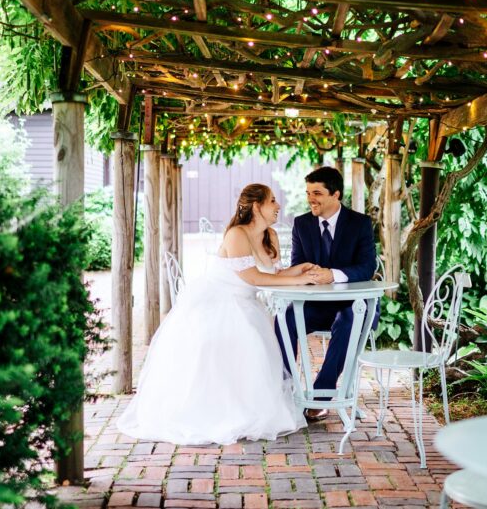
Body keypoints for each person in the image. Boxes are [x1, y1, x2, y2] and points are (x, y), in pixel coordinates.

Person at [117, 183, 324, 445]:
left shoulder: (270, 235)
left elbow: (275, 274)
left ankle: (249, 409)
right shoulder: (236, 235)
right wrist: (300, 282)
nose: (278, 205)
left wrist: (302, 270)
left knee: (256, 347)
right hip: (217, 301)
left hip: (248, 304)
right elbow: (252, 277)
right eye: (272, 201)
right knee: (233, 343)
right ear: (257, 206)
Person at [276, 166, 377, 422]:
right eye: (309, 192)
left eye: (317, 193)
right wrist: (307, 273)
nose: (311, 198)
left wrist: (332, 274)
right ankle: (286, 391)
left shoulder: (360, 223)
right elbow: (298, 262)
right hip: (317, 305)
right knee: (284, 319)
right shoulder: (302, 223)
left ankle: (320, 397)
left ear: (336, 195)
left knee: (348, 321)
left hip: (353, 306)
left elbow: (367, 267)